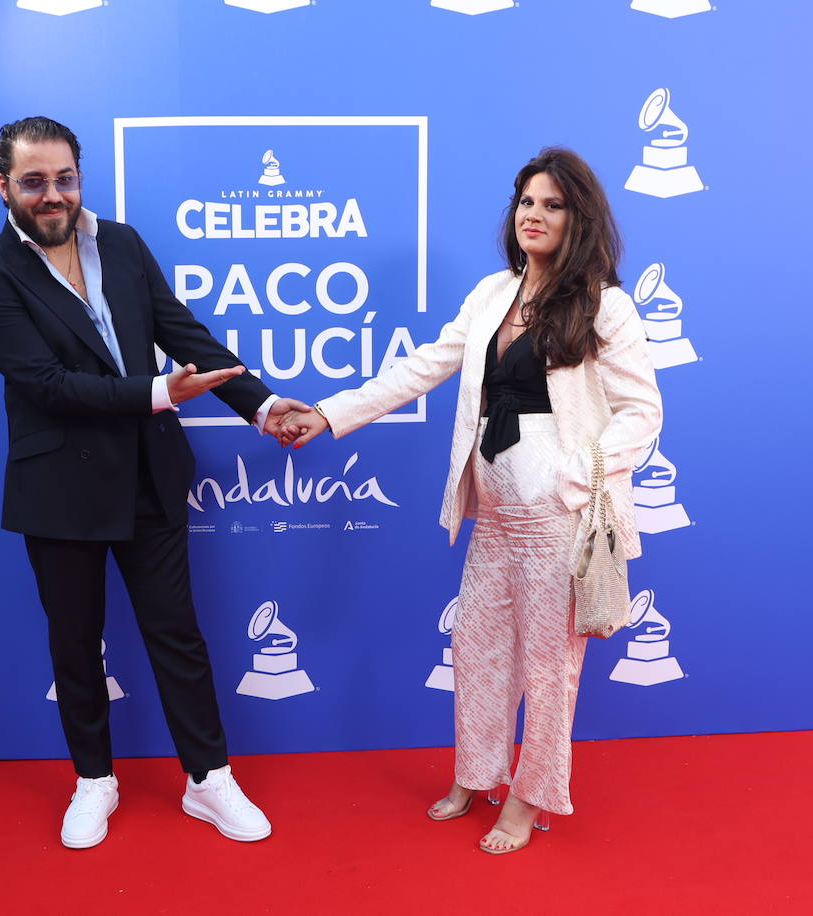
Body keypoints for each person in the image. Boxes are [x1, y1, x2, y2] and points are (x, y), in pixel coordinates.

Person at [282, 148, 663, 854]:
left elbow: (643, 412)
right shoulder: (494, 294)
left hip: (558, 513)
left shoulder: (605, 304)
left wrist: (575, 477)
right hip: (495, 510)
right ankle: (477, 772)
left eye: (552, 205)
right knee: (478, 647)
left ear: (579, 218)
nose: (535, 216)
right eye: (526, 202)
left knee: (550, 665)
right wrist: (332, 414)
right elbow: (422, 366)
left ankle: (529, 795)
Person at [0, 116, 307, 850]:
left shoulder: (121, 242)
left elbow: (185, 333)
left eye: (63, 179)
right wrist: (158, 394)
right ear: (4, 187)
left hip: (150, 473)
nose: (51, 195)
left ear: (78, 177)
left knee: (177, 634)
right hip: (58, 487)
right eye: (33, 182)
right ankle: (94, 781)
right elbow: (47, 384)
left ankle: (208, 780)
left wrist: (265, 404)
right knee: (76, 644)